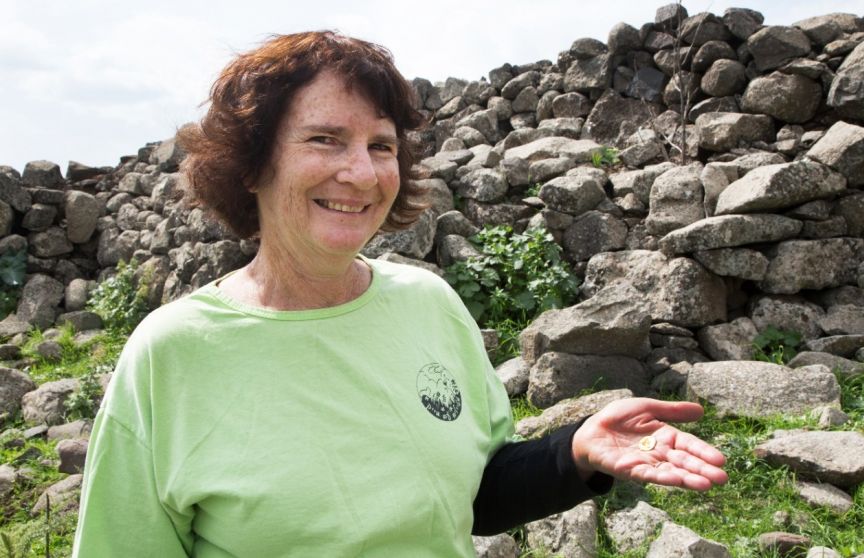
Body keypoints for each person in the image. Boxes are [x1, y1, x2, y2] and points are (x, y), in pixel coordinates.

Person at [72, 31, 727, 557]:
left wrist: (573, 451)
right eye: (325, 139)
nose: (360, 172)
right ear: (253, 164)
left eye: (380, 145)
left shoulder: (428, 303)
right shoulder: (174, 353)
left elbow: (471, 493)